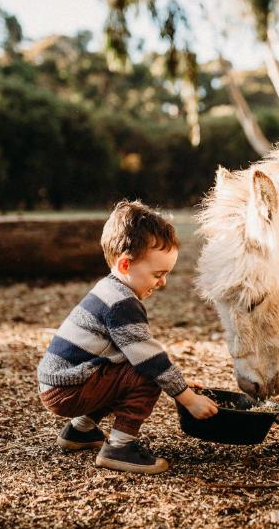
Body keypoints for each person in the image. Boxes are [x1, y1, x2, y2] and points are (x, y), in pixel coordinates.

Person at [37, 200, 218, 474]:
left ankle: (80, 431)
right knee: (147, 374)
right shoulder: (122, 304)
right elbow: (150, 361)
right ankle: (120, 447)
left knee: (137, 370)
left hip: (61, 383)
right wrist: (187, 398)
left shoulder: (108, 289)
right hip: (68, 388)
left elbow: (126, 356)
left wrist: (177, 384)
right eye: (158, 274)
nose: (162, 283)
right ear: (125, 264)